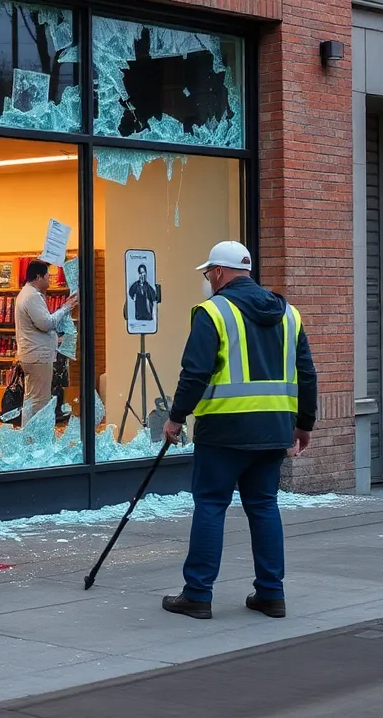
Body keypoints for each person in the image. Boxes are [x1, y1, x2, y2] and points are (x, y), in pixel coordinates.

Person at [160, 241, 318, 620]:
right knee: (264, 506)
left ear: (218, 272)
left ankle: (197, 594)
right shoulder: (289, 314)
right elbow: (307, 372)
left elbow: (195, 371)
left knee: (211, 506)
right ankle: (271, 594)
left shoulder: (213, 312)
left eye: (207, 274)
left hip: (224, 430)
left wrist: (176, 417)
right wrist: (304, 424)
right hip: (274, 428)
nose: (206, 281)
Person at [14, 260, 78, 425]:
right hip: (38, 357)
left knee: (32, 400)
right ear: (38, 276)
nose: (49, 280)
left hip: (33, 355)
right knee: (40, 401)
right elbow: (46, 324)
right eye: (47, 276)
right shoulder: (32, 296)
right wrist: (66, 308)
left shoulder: (28, 294)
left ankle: (29, 439)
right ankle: (37, 444)